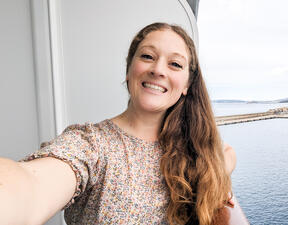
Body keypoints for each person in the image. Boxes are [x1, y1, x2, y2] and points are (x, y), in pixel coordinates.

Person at [0, 22, 237, 225]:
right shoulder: (91, 145)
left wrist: (219, 174)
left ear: (186, 85)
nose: (157, 70)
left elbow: (227, 153)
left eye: (175, 64)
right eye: (147, 56)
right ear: (129, 70)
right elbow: (30, 186)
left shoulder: (192, 146)